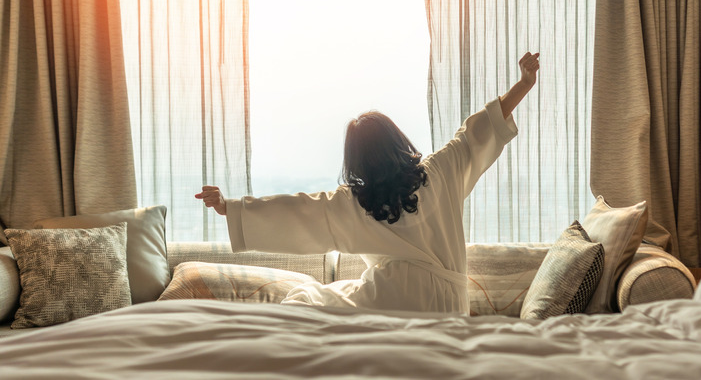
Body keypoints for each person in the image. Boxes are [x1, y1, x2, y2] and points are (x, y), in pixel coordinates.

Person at [196, 52, 540, 314]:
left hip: (391, 301)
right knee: (321, 297)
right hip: (450, 306)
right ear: (397, 139)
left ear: (355, 160)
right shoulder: (441, 171)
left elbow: (298, 211)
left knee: (305, 299)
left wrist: (231, 208)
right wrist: (523, 84)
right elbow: (477, 132)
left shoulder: (354, 202)